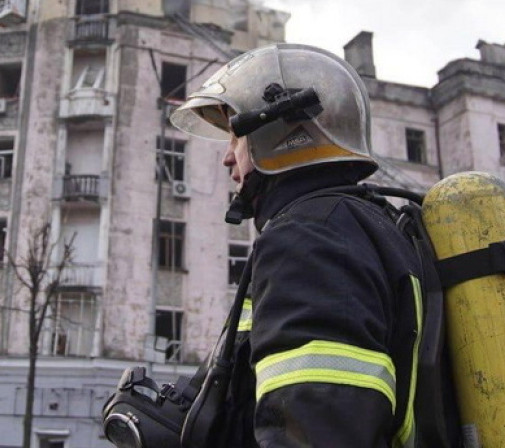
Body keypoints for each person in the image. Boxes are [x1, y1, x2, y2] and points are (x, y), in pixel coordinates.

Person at [169, 43, 426, 447]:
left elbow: (316, 427)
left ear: (277, 132)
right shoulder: (360, 224)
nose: (227, 159)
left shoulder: (310, 237)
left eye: (235, 138)